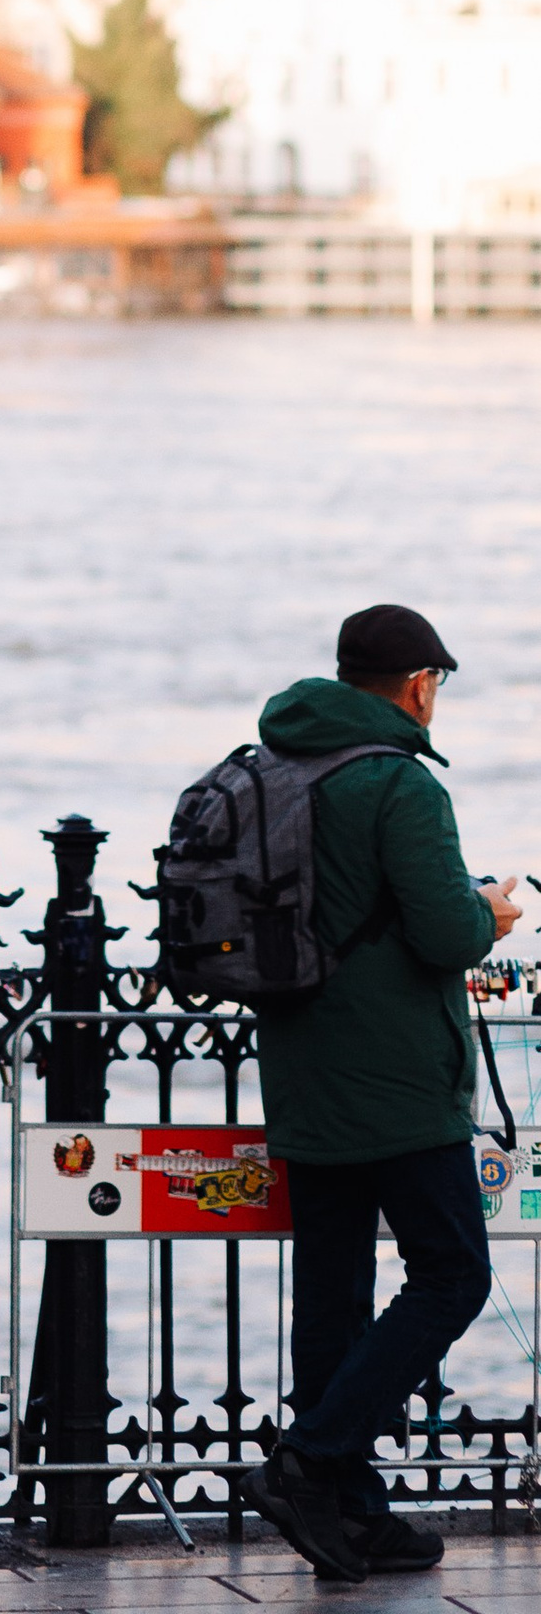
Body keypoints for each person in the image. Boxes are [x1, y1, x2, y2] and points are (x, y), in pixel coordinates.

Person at [245, 604, 521, 1584]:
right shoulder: (399, 785)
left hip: (304, 1072)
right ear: (416, 685)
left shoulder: (277, 770)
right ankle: (313, 1459)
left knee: (331, 1289)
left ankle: (350, 1513)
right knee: (451, 1274)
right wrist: (487, 911)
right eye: (435, 685)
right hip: (398, 1082)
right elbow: (445, 935)